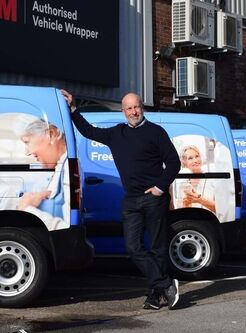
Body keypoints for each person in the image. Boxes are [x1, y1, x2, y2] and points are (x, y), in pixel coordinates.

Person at [64, 89, 182, 310]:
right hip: (131, 200)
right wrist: (73, 109)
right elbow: (88, 131)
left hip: (154, 198)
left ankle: (156, 295)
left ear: (142, 108)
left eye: (136, 106)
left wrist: (159, 187)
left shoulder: (156, 132)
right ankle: (166, 284)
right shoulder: (116, 134)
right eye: (129, 108)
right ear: (123, 111)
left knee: (157, 248)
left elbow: (174, 163)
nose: (133, 111)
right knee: (133, 247)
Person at [16, 118, 70, 231]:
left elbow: (67, 230)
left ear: (51, 134)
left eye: (27, 142)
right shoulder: (60, 168)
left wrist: (26, 210)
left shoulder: (68, 168)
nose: (27, 152)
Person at [173, 145, 217, 213]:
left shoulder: (213, 179)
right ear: (185, 162)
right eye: (190, 158)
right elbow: (180, 212)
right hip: (191, 222)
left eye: (197, 156)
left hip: (210, 221)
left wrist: (199, 200)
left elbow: (221, 209)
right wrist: (186, 205)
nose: (195, 160)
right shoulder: (183, 184)